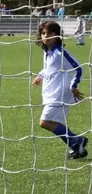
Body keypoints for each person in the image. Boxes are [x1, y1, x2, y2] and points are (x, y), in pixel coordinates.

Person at [32, 21, 87, 159]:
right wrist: (40, 75)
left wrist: (74, 86)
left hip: (59, 93)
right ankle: (76, 146)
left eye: (50, 33)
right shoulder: (48, 52)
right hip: (50, 92)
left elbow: (79, 68)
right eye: (44, 33)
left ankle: (76, 140)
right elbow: (49, 68)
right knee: (52, 122)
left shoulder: (59, 52)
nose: (46, 36)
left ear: (57, 35)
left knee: (45, 122)